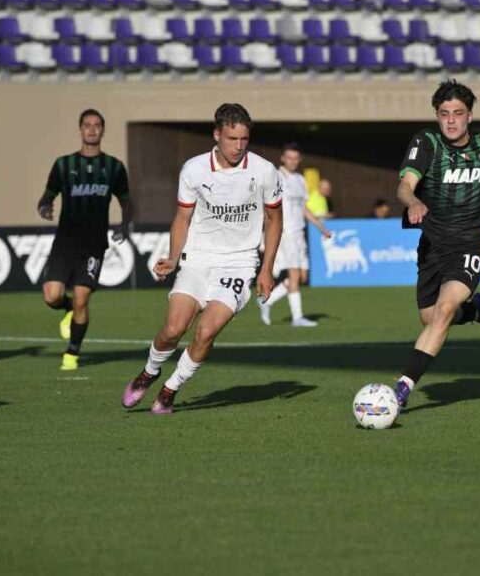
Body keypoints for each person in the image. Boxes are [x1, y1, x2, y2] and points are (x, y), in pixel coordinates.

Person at [121, 104, 283, 415]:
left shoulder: (264, 171)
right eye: (232, 138)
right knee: (173, 329)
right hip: (197, 259)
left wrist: (266, 269)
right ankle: (149, 373)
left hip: (239, 263)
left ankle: (170, 390)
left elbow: (275, 221)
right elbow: (182, 218)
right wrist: (172, 257)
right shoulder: (194, 169)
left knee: (206, 331)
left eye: (244, 139)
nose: (238, 146)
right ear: (217, 135)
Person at [392, 80, 480, 408]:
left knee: (444, 311)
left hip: (471, 244)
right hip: (433, 246)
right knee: (431, 318)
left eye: (458, 113)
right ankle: (475, 309)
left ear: (470, 116)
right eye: (444, 113)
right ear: (436, 116)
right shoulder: (427, 143)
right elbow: (405, 185)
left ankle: (402, 388)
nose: (450, 120)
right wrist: (411, 203)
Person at [37, 109, 133, 371]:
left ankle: (72, 353)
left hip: (93, 244)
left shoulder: (113, 167)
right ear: (80, 129)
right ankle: (66, 308)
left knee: (82, 298)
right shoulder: (63, 165)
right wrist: (45, 207)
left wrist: (125, 226)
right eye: (87, 125)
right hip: (65, 241)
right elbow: (47, 196)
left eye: (97, 125)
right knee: (51, 296)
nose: (92, 129)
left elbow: (126, 201)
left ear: (103, 130)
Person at [258, 143, 331, 328]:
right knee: (294, 274)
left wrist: (320, 227)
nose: (292, 161)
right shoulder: (276, 177)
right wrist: (265, 233)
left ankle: (267, 300)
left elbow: (303, 208)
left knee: (301, 277)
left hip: (299, 232)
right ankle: (297, 317)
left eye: (296, 158)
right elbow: (266, 206)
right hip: (286, 232)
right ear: (283, 158)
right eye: (289, 158)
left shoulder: (300, 179)